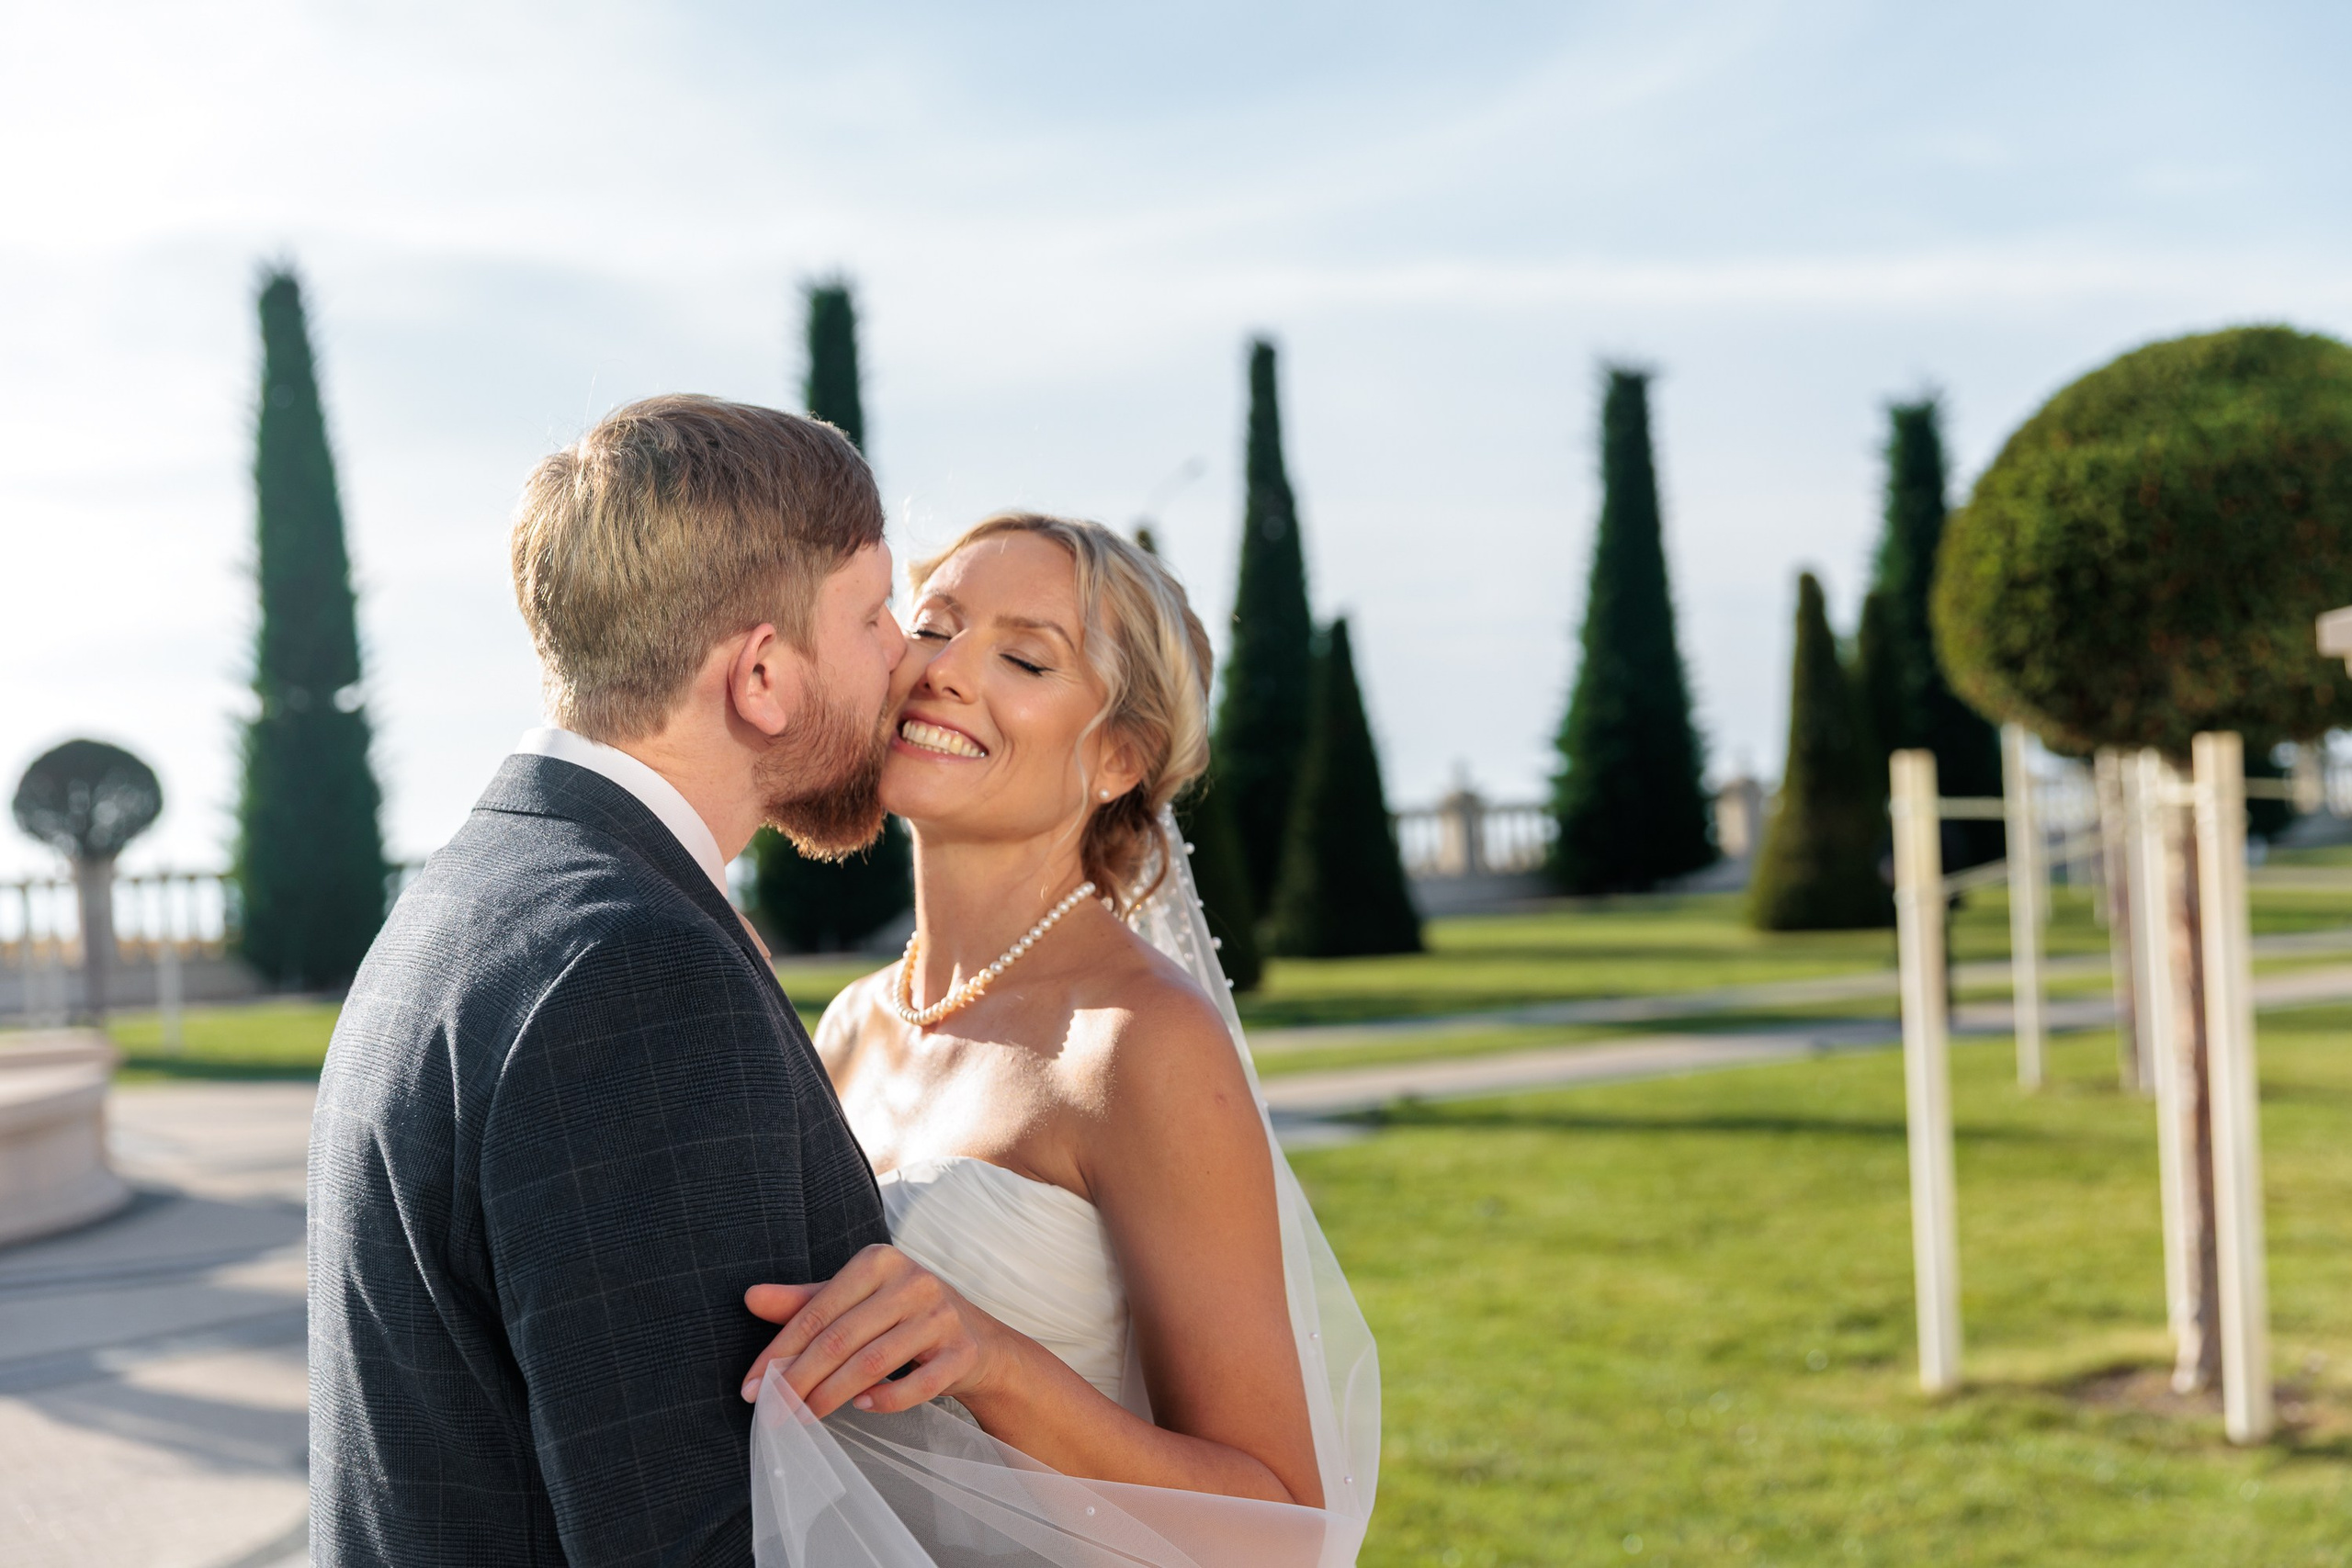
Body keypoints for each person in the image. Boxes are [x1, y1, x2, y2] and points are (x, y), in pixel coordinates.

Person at [307, 395, 908, 1565]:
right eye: (874, 612)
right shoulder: (635, 973)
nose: (906, 651)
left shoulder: (475, 894)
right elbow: (696, 1536)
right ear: (765, 675)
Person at [735, 514, 1379, 1567]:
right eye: (933, 627)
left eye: (1026, 657)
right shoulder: (850, 1022)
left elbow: (1283, 1532)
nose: (944, 672)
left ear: (1120, 756)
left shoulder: (1137, 1044)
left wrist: (993, 1361)